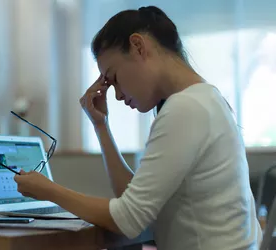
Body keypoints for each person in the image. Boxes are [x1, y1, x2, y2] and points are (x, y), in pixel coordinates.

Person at [14, 5, 262, 250]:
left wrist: (49, 190)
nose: (118, 95)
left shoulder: (185, 108)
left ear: (138, 46)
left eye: (114, 78)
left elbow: (127, 220)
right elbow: (133, 202)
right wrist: (101, 126)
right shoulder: (205, 99)